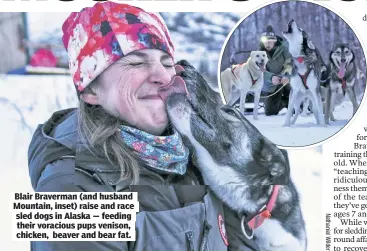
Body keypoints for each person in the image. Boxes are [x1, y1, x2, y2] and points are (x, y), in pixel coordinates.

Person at [27, 2, 260, 250]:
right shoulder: (66, 190)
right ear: (92, 90)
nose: (162, 76)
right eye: (136, 63)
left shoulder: (193, 153)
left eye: (167, 63)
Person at [259, 25, 293, 116]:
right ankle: (286, 103)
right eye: (266, 42)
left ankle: (296, 103)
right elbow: (260, 70)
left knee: (292, 89)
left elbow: (290, 62)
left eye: (270, 41)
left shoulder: (285, 47)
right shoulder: (259, 53)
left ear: (275, 41)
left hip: (287, 79)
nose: (268, 44)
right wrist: (271, 77)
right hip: (273, 82)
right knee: (270, 112)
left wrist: (286, 75)